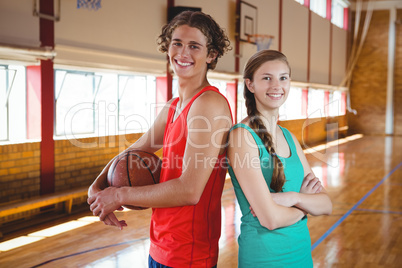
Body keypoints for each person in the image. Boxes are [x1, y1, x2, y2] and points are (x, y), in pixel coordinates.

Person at [87, 11, 232, 268]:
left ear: (211, 55)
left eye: (194, 46)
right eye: (177, 43)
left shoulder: (209, 104)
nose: (183, 53)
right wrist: (97, 188)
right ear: (167, 48)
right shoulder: (174, 106)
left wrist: (119, 195)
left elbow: (190, 190)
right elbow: (134, 151)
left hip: (189, 253)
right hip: (161, 244)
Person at [227, 50, 332, 267]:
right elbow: (271, 219)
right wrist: (304, 205)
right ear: (250, 85)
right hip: (264, 257)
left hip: (301, 254)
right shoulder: (242, 136)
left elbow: (326, 205)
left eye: (283, 78)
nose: (277, 86)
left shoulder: (289, 137)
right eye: (267, 78)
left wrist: (292, 197)